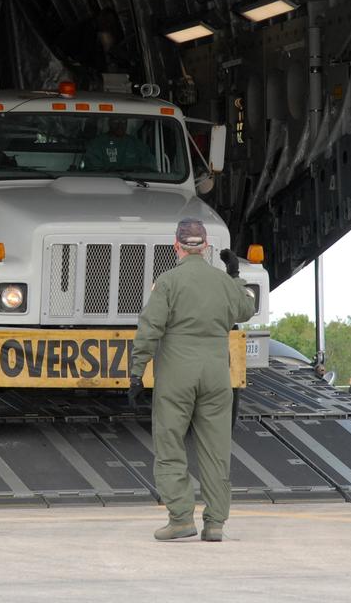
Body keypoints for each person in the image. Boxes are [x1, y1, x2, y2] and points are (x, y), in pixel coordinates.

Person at [129, 218, 255, 542]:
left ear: (177, 246)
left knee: (170, 444)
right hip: (216, 375)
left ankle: (181, 518)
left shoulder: (168, 282)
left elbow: (150, 328)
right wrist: (235, 275)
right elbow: (246, 308)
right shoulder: (223, 282)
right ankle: (215, 524)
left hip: (176, 376)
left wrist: (136, 372)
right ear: (206, 246)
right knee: (216, 450)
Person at [83, 118, 155, 172]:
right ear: (109, 122)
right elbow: (93, 170)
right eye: (116, 121)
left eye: (123, 121)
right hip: (104, 184)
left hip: (135, 183)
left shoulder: (137, 144)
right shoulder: (97, 144)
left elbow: (150, 169)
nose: (120, 125)